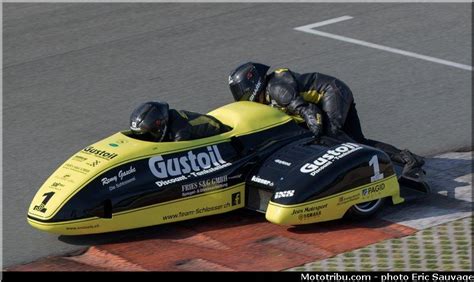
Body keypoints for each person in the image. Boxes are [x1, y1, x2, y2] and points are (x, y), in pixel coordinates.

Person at [228, 62, 424, 175]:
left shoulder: (277, 90)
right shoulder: (270, 92)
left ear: (252, 84)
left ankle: (369, 168)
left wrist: (316, 131)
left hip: (332, 93)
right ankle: (407, 158)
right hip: (334, 92)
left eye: (243, 93)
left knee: (333, 137)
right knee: (357, 141)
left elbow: (309, 111)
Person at [129, 101, 230, 142]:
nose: (146, 139)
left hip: (222, 136)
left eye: (148, 135)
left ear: (160, 125)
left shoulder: (180, 134)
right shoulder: (170, 117)